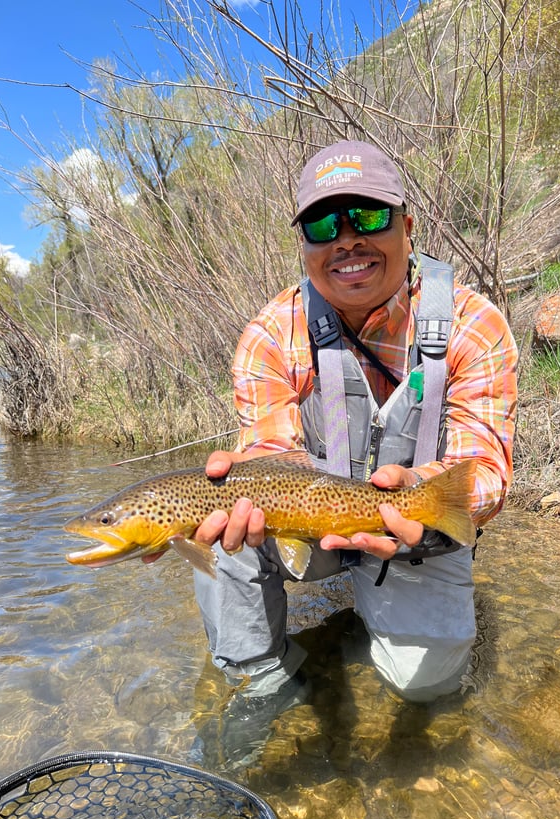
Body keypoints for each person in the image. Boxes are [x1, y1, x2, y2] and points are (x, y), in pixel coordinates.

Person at [189, 140, 517, 767]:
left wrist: (425, 494)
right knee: (222, 518)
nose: (346, 240)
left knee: (428, 688)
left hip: (416, 531)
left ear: (407, 226)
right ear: (305, 245)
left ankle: (362, 634)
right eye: (322, 224)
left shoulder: (474, 324)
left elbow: (488, 469)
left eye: (367, 216)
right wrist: (246, 495)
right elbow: (267, 447)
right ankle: (266, 676)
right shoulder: (270, 333)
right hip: (310, 524)